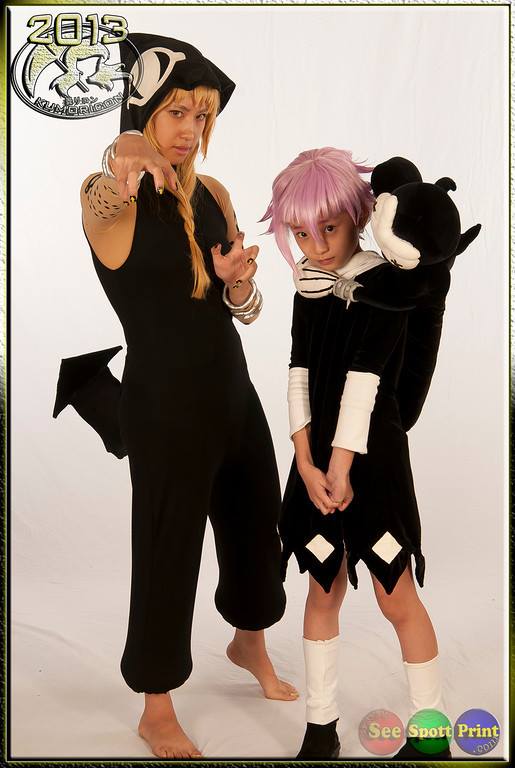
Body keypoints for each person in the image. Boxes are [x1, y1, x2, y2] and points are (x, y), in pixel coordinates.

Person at [54, 33, 298, 759]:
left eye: (202, 116)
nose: (191, 130)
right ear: (144, 111)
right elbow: (111, 177)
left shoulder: (214, 194)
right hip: (163, 404)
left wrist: (238, 286)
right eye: (176, 113)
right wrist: (125, 146)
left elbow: (242, 309)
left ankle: (248, 642)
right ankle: (155, 705)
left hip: (232, 390)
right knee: (168, 548)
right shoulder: (108, 199)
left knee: (257, 525)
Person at [260, 147, 452, 760]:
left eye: (329, 228)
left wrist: (340, 465)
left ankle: (431, 734)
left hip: (373, 460)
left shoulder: (386, 282)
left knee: (396, 593)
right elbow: (298, 370)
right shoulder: (306, 284)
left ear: (358, 215)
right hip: (317, 462)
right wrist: (304, 460)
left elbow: (365, 380)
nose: (316, 247)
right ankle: (321, 728)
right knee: (322, 587)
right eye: (301, 234)